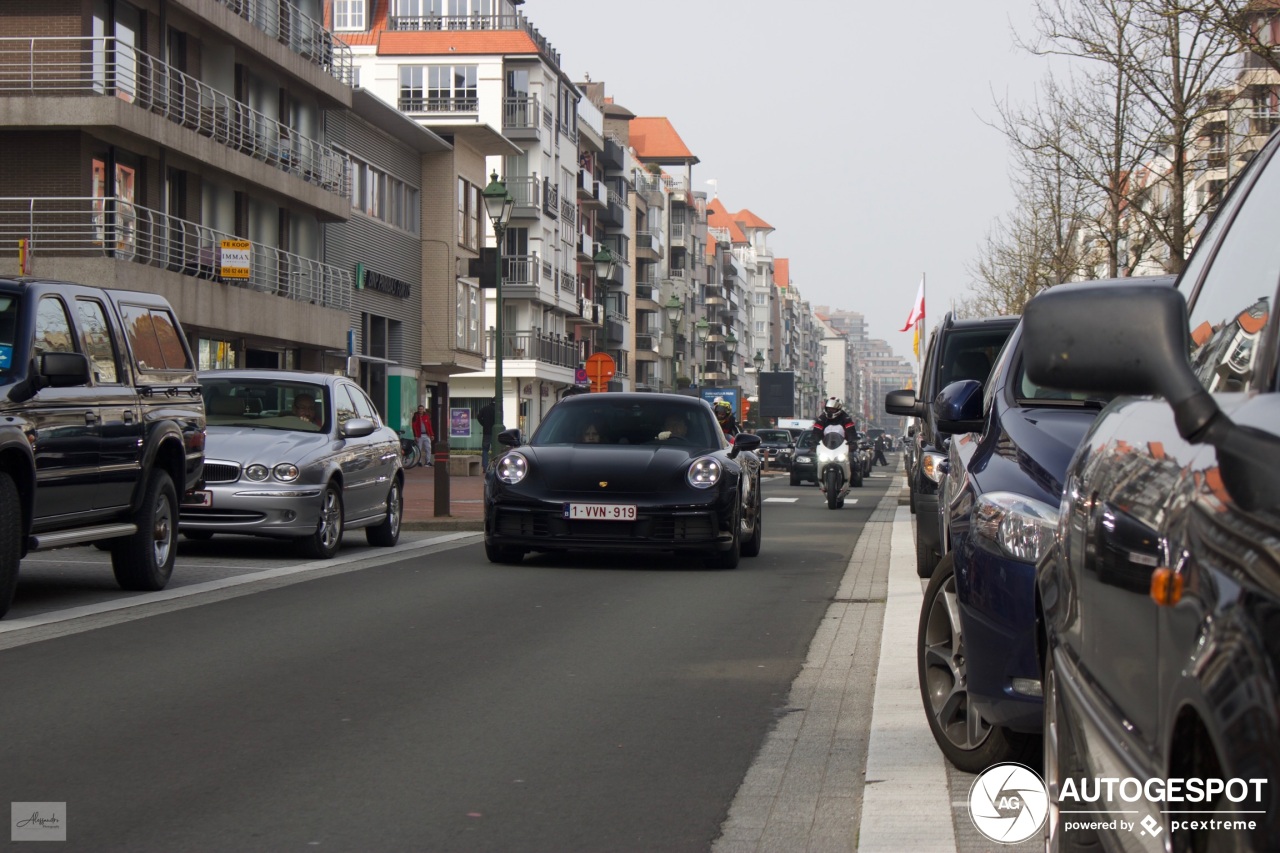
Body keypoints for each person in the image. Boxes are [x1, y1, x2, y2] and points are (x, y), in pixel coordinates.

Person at [477, 398, 496, 469]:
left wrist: (484, 424)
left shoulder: (484, 408)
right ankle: (494, 466)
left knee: (485, 450)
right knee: (495, 449)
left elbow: (478, 417)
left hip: (486, 432)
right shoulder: (498, 410)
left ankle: (485, 466)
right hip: (495, 433)